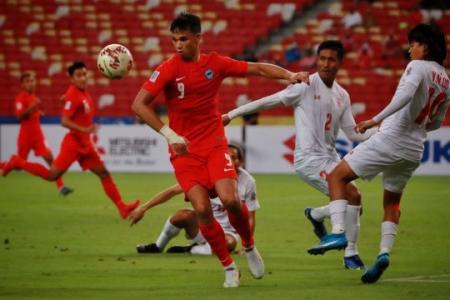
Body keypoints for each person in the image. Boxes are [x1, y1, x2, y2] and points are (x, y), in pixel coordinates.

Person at [131, 12, 307, 288]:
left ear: (198, 38)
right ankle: (228, 266)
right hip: (184, 151)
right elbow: (139, 105)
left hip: (213, 144)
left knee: (231, 200)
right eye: (174, 39)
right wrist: (169, 134)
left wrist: (289, 75)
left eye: (184, 39)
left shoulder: (216, 63)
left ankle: (248, 246)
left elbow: (258, 68)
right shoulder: (167, 68)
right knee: (201, 209)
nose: (178, 45)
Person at [310, 24, 450, 283]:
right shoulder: (446, 78)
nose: (410, 49)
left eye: (414, 44)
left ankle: (339, 231)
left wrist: (375, 120)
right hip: (414, 149)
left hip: (391, 138)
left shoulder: (418, 67)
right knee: (393, 203)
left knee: (336, 177)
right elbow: (435, 123)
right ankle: (384, 252)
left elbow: (406, 95)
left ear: (426, 46)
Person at [223, 40, 377, 270]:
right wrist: (232, 113)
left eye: (331, 59)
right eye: (322, 58)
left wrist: (383, 131)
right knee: (351, 196)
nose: (325, 64)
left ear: (340, 63)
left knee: (356, 201)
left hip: (330, 157)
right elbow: (269, 101)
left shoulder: (342, 95)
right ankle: (350, 253)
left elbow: (352, 133)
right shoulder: (305, 85)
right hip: (308, 159)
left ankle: (317, 215)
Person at [2, 61, 140, 219]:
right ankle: (17, 162)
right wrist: (85, 129)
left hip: (86, 144)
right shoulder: (74, 94)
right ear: (72, 79)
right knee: (51, 175)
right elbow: (64, 121)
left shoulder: (81, 93)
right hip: (73, 143)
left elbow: (75, 109)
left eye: (84, 74)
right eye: (79, 75)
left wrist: (78, 118)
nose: (83, 78)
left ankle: (122, 207)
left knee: (103, 173)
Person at [129, 144, 260, 256]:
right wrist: (144, 207)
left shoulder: (248, 181)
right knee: (180, 216)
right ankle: (157, 246)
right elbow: (172, 191)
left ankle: (191, 249)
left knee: (227, 244)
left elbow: (250, 217)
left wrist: (247, 245)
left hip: (229, 233)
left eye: (234, 158)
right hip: (204, 224)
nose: (230, 161)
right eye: (227, 157)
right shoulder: (207, 174)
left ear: (241, 161)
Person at [1, 72, 73, 196]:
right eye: (28, 81)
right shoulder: (20, 98)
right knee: (18, 166)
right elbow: (19, 116)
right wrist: (32, 107)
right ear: (22, 84)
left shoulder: (33, 97)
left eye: (33, 80)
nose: (31, 83)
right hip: (25, 136)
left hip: (38, 136)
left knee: (50, 158)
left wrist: (38, 112)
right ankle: (6, 164)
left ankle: (61, 187)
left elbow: (33, 113)